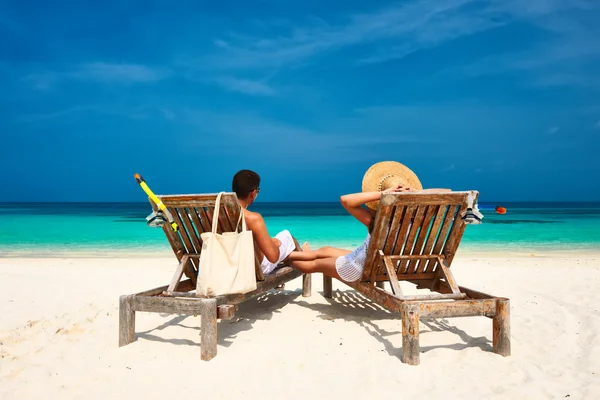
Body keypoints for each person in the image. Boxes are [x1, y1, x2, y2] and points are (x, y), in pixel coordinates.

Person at [286, 161, 451, 282]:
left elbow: (345, 200)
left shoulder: (377, 221)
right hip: (387, 265)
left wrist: (383, 194)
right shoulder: (419, 220)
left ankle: (286, 259)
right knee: (325, 249)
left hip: (362, 268)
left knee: (316, 264)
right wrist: (415, 193)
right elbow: (448, 193)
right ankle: (298, 253)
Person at [232, 169, 299, 276]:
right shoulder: (253, 218)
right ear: (253, 194)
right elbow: (273, 257)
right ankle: (301, 257)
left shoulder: (211, 215)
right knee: (287, 236)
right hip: (253, 271)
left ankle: (300, 255)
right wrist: (275, 243)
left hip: (227, 268)